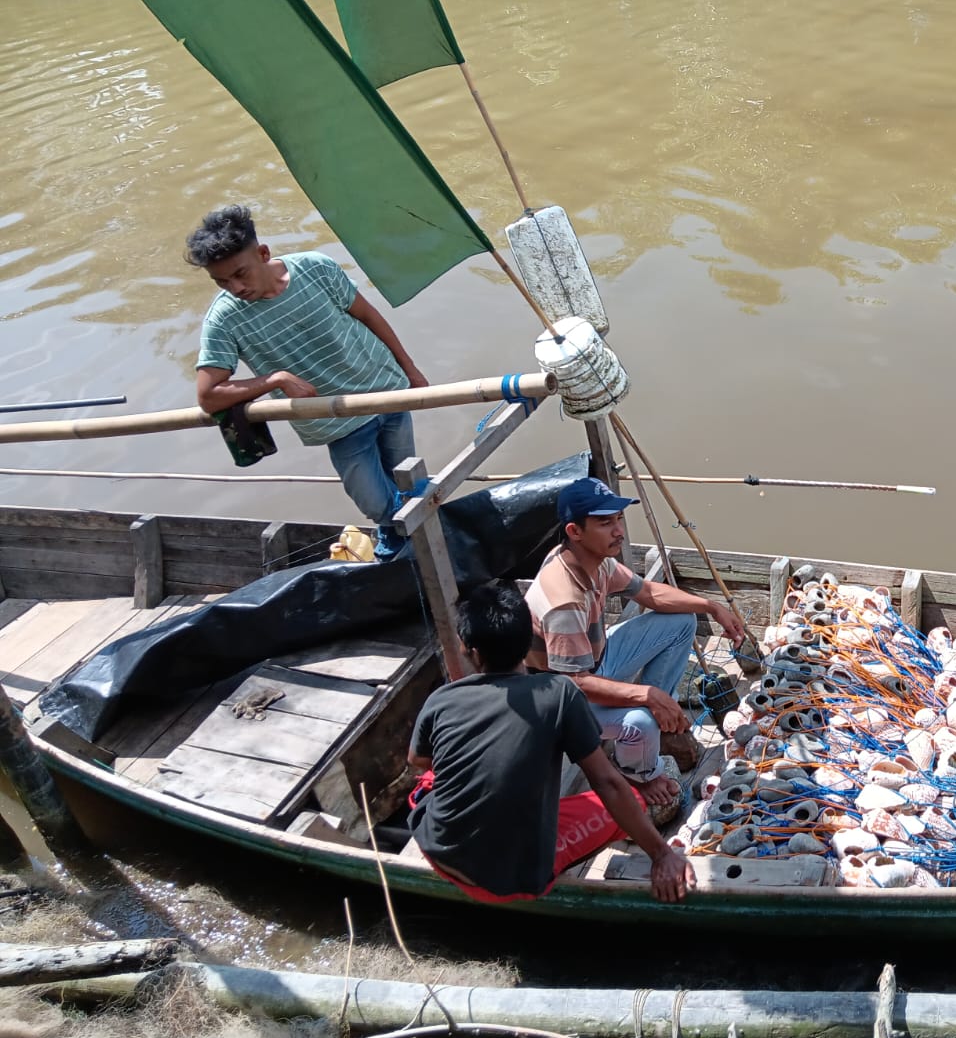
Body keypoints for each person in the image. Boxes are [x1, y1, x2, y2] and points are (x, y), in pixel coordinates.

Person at [407, 582, 694, 904]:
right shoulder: (558, 692)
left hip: (439, 849)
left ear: (468, 649)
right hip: (513, 878)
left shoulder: (442, 698)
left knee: (431, 782)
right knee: (633, 801)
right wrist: (661, 855)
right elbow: (608, 784)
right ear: (530, 640)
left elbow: (419, 761)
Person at [187, 204, 427, 560]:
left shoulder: (315, 268)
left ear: (263, 253)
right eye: (222, 282)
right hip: (334, 421)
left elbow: (366, 315)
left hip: (385, 391)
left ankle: (414, 530)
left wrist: (410, 370)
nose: (235, 288)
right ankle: (409, 531)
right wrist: (276, 379)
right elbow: (209, 396)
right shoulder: (224, 319)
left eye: (241, 274)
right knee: (375, 500)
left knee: (408, 476)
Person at [526, 477, 747, 811]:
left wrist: (710, 606)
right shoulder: (564, 602)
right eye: (605, 523)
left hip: (596, 661)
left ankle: (657, 718)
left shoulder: (594, 561)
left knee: (681, 620)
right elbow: (574, 684)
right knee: (638, 723)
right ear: (574, 531)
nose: (618, 531)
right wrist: (646, 696)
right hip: (561, 699)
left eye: (618, 520)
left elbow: (649, 593)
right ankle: (639, 773)